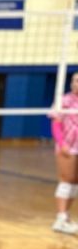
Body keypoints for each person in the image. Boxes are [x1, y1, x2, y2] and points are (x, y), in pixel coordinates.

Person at [48, 71, 78, 234]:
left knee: (75, 182)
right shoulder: (64, 101)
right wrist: (62, 144)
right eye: (74, 80)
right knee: (66, 180)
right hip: (67, 146)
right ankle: (59, 218)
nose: (75, 83)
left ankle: (65, 217)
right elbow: (56, 124)